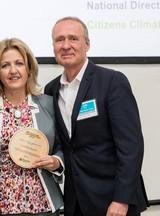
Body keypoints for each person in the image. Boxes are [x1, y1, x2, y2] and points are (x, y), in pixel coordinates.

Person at [44, 16, 149, 216]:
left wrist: (121, 200)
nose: (66, 45)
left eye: (73, 39)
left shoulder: (112, 82)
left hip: (113, 201)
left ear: (87, 44)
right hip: (75, 202)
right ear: (53, 47)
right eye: (59, 40)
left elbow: (131, 147)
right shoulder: (51, 90)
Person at [0, 38, 64, 216]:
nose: (13, 70)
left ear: (29, 68)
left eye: (19, 63)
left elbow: (65, 147)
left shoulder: (49, 104)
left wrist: (56, 162)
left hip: (42, 204)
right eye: (5, 65)